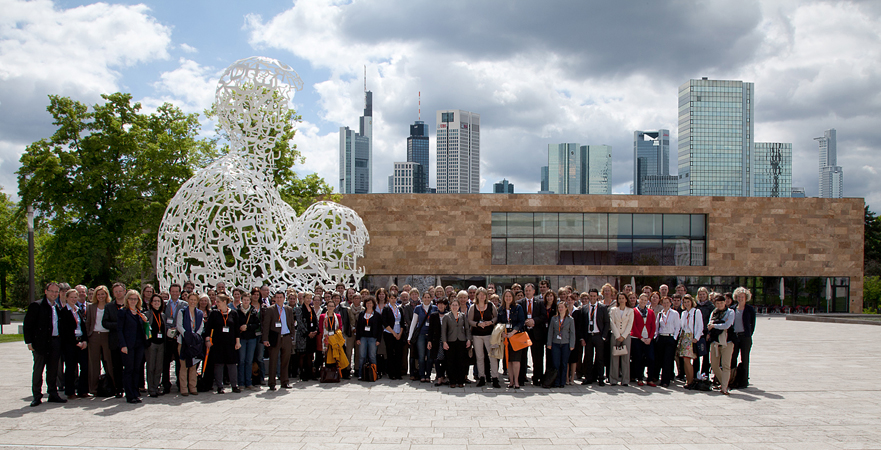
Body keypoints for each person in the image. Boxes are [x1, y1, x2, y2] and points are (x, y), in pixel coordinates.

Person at [205, 294, 241, 394]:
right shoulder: (214, 313)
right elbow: (208, 328)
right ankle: (219, 386)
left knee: (232, 364)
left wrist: (238, 342)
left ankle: (234, 385)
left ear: (224, 302)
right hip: (218, 343)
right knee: (219, 364)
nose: (216, 303)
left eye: (218, 302)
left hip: (230, 343)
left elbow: (237, 329)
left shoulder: (233, 313)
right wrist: (207, 340)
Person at [117, 290, 147, 403]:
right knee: (129, 369)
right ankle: (129, 395)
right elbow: (119, 330)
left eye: (135, 299)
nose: (133, 301)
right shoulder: (123, 312)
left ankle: (135, 392)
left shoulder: (139, 312)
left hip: (139, 345)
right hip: (128, 345)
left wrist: (145, 321)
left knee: (137, 369)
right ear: (127, 300)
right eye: (131, 299)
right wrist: (123, 345)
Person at [85, 285, 114, 397]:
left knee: (109, 361)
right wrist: (88, 336)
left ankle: (112, 386)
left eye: (103, 294)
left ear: (106, 295)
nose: (100, 296)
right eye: (98, 294)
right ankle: (93, 388)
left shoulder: (110, 306)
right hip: (94, 336)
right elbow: (88, 322)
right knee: (93, 363)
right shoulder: (91, 307)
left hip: (107, 335)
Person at [263, 291, 295, 390]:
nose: (279, 299)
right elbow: (266, 325)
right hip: (275, 337)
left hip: (286, 337)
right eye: (277, 297)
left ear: (284, 298)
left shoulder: (288, 309)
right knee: (273, 360)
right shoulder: (270, 309)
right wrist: (265, 339)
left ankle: (285, 381)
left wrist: (292, 336)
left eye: (281, 297)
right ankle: (272, 383)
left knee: (285, 361)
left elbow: (291, 323)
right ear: (274, 299)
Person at [59, 289, 88, 399]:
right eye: (71, 297)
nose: (73, 299)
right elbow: (64, 331)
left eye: (75, 297)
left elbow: (83, 327)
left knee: (84, 367)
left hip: (81, 342)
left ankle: (83, 390)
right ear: (66, 298)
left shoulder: (78, 310)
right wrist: (76, 342)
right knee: (71, 368)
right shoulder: (63, 311)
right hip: (70, 343)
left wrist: (84, 341)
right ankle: (70, 391)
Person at [468, 287, 499, 388]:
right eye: (480, 294)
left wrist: (491, 322)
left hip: (489, 334)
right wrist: (477, 324)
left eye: (484, 294)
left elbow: (496, 317)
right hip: (477, 335)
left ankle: (495, 377)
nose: (482, 296)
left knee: (492, 356)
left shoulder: (490, 305)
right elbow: (470, 320)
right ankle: (482, 377)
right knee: (480, 357)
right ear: (476, 296)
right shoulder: (473, 307)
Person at [578, 288, 609, 386]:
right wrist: (582, 338)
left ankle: (600, 377)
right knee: (588, 357)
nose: (592, 298)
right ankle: (588, 377)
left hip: (598, 335)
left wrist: (604, 336)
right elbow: (581, 325)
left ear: (597, 297)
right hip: (588, 336)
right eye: (591, 296)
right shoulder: (584, 308)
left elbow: (607, 322)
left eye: (594, 296)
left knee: (599, 358)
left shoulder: (602, 307)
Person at [517, 283, 547, 386]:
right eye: (526, 290)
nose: (528, 292)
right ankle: (521, 378)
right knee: (522, 357)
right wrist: (525, 322)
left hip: (536, 333)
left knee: (537, 357)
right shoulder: (520, 303)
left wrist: (534, 321)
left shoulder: (540, 302)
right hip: (524, 333)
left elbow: (543, 316)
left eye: (529, 290)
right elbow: (517, 317)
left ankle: (537, 378)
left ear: (534, 291)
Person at [441, 293, 472, 388]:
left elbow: (467, 329)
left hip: (461, 341)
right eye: (453, 305)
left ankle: (461, 380)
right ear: (450, 306)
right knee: (451, 362)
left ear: (459, 306)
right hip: (450, 341)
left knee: (461, 361)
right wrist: (444, 342)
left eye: (456, 305)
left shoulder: (463, 316)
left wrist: (468, 339)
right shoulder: (446, 316)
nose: (454, 307)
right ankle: (452, 381)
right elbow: (443, 331)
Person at [177, 292, 204, 396]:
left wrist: (195, 336)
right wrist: (186, 335)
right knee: (184, 366)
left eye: (194, 300)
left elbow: (201, 326)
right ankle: (184, 388)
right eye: (191, 299)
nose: (193, 302)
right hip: (183, 341)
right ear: (188, 300)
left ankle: (193, 387)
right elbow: (179, 326)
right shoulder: (182, 312)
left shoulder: (199, 313)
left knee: (193, 366)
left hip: (194, 343)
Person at [498, 289, 526, 389]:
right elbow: (499, 322)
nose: (508, 298)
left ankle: (517, 381)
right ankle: (511, 381)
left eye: (510, 296)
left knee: (516, 360)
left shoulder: (518, 307)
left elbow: (521, 321)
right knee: (509, 360)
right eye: (506, 296)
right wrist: (502, 333)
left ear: (513, 297)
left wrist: (513, 332)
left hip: (516, 336)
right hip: (506, 338)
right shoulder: (501, 309)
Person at [103, 282, 127, 398]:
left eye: (120, 291)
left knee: (129, 366)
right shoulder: (109, 306)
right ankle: (119, 389)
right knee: (116, 367)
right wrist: (118, 325)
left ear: (124, 292)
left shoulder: (129, 304)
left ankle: (130, 387)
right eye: (116, 291)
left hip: (128, 341)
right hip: (115, 341)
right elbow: (105, 323)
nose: (118, 293)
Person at [707, 295, 735, 395]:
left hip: (727, 342)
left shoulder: (730, 312)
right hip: (715, 341)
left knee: (725, 365)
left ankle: (724, 387)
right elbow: (709, 325)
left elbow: (727, 325)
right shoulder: (714, 312)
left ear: (725, 302)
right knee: (714, 365)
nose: (719, 305)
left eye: (721, 303)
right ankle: (723, 382)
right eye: (717, 303)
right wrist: (717, 324)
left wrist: (715, 325)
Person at [162, 283, 186, 395]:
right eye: (173, 291)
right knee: (166, 362)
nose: (175, 293)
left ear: (180, 292)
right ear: (170, 292)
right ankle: (166, 385)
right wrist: (168, 329)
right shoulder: (164, 304)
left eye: (177, 291)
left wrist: (177, 329)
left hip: (179, 337)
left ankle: (179, 384)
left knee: (179, 362)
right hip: (167, 337)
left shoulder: (184, 305)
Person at [730, 287, 756, 389]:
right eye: (739, 297)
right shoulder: (732, 309)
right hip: (735, 337)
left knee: (745, 359)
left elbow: (752, 324)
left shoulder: (750, 309)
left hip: (745, 337)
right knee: (733, 358)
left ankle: (744, 380)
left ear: (746, 298)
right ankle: (732, 379)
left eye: (742, 297)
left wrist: (748, 334)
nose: (740, 299)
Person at [408, 291, 436, 383]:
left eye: (428, 297)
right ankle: (422, 375)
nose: (427, 299)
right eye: (425, 297)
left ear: (431, 298)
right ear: (422, 298)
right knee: (421, 356)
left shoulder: (434, 308)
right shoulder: (418, 308)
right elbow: (413, 323)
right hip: (421, 335)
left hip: (431, 336)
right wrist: (409, 337)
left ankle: (428, 375)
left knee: (430, 356)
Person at [546, 300, 575, 388]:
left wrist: (572, 345)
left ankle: (563, 382)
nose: (560, 309)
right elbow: (550, 332)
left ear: (566, 308)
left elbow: (572, 333)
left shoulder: (570, 319)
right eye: (559, 307)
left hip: (566, 343)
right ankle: (556, 381)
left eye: (562, 307)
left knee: (564, 363)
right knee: (556, 363)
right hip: (555, 343)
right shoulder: (554, 319)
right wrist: (549, 343)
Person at [653, 296, 680, 388]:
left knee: (667, 360)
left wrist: (674, 338)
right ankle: (657, 377)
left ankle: (665, 380)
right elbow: (657, 326)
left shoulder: (674, 313)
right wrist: (656, 336)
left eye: (667, 302)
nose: (666, 304)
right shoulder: (660, 314)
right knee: (659, 359)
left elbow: (678, 327)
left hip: (670, 337)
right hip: (661, 337)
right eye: (664, 303)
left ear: (670, 303)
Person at [678, 294, 704, 389]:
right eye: (685, 302)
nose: (686, 304)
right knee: (685, 360)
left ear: (691, 302)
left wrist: (696, 338)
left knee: (688, 359)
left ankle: (691, 380)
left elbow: (700, 326)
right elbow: (682, 327)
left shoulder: (696, 312)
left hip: (692, 337)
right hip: (685, 337)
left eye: (688, 302)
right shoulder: (684, 313)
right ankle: (688, 380)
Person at [237, 291, 261, 391]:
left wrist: (247, 327)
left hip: (251, 338)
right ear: (241, 300)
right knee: (241, 361)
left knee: (249, 361)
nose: (246, 301)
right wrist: (240, 328)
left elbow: (257, 324)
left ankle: (248, 382)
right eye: (244, 300)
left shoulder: (253, 311)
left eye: (247, 300)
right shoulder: (237, 311)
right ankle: (241, 383)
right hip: (241, 338)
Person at [631, 293, 657, 386]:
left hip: (648, 339)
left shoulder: (651, 312)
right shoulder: (634, 311)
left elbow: (653, 326)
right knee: (638, 358)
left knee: (651, 358)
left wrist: (650, 338)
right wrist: (641, 338)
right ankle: (639, 378)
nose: (643, 301)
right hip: (637, 338)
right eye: (641, 299)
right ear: (638, 300)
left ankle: (650, 378)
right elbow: (633, 326)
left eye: (645, 300)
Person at [608, 292, 633, 386]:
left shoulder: (630, 311)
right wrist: (617, 335)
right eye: (620, 298)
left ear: (626, 299)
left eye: (623, 298)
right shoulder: (613, 310)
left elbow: (630, 324)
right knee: (614, 357)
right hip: (615, 335)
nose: (621, 300)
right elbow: (612, 322)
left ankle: (625, 380)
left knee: (625, 358)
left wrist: (623, 336)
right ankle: (613, 379)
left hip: (625, 336)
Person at [382, 289, 407, 380]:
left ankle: (398, 373)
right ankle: (391, 373)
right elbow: (384, 322)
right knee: (390, 353)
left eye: (394, 298)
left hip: (399, 333)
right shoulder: (386, 308)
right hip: (389, 333)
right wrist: (393, 333)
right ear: (388, 298)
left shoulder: (399, 308)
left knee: (398, 353)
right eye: (391, 298)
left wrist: (399, 333)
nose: (393, 300)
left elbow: (402, 322)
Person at [355, 296, 382, 381]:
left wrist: (378, 340)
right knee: (362, 356)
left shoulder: (377, 315)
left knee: (372, 356)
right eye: (367, 303)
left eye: (370, 303)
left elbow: (379, 328)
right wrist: (357, 338)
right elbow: (358, 327)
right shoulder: (361, 314)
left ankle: (374, 373)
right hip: (363, 338)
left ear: (373, 304)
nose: (369, 305)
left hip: (373, 338)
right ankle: (361, 374)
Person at [145, 294, 166, 397]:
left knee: (159, 367)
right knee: (151, 366)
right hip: (151, 344)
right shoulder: (147, 314)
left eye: (158, 301)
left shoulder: (163, 315)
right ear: (151, 303)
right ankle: (151, 388)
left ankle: (157, 386)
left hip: (161, 344)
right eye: (155, 301)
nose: (157, 303)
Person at [295, 292, 320, 381]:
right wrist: (307, 333)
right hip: (303, 335)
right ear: (303, 298)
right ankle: (302, 373)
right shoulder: (299, 309)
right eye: (307, 298)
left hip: (312, 335)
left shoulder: (311, 309)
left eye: (310, 298)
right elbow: (300, 322)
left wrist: (315, 331)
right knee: (302, 354)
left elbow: (315, 321)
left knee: (310, 354)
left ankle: (310, 373)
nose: (309, 300)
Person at [427, 298, 449, 386]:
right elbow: (430, 329)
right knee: (436, 359)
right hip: (436, 340)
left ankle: (443, 376)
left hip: (446, 340)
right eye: (439, 304)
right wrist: (429, 341)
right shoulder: (433, 315)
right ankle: (439, 377)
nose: (440, 306)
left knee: (444, 359)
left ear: (446, 305)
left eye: (442, 304)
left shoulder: (448, 315)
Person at [318, 297, 343, 372]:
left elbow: (340, 327)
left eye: (332, 306)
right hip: (326, 338)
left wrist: (335, 336)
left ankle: (334, 372)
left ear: (335, 307)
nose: (330, 308)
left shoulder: (338, 316)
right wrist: (326, 336)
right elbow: (320, 328)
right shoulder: (322, 316)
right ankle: (326, 372)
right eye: (329, 306)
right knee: (326, 356)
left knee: (334, 356)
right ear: (327, 307)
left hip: (335, 339)